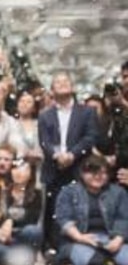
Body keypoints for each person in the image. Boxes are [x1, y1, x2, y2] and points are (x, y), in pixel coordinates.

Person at [38, 71, 98, 253]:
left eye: (66, 81)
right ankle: (53, 248)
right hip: (54, 167)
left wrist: (72, 154)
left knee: (78, 206)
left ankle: (78, 246)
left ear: (72, 87)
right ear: (51, 90)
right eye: (57, 81)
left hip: (78, 167)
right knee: (53, 209)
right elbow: (44, 141)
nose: (62, 83)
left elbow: (90, 137)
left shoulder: (87, 112)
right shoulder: (45, 115)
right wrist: (57, 155)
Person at [54, 154, 128, 265]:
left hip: (110, 238)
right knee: (86, 262)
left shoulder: (118, 192)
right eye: (93, 172)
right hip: (79, 240)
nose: (98, 177)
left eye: (103, 173)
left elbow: (123, 218)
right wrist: (80, 237)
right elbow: (64, 218)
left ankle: (109, 263)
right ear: (82, 173)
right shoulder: (69, 191)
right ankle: (104, 264)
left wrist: (118, 240)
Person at [0, 157, 43, 265]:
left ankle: (26, 263)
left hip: (22, 236)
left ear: (31, 174)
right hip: (3, 238)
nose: (19, 173)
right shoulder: (1, 191)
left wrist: (10, 222)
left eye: (24, 170)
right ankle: (11, 264)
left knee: (33, 231)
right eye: (15, 169)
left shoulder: (36, 194)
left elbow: (32, 218)